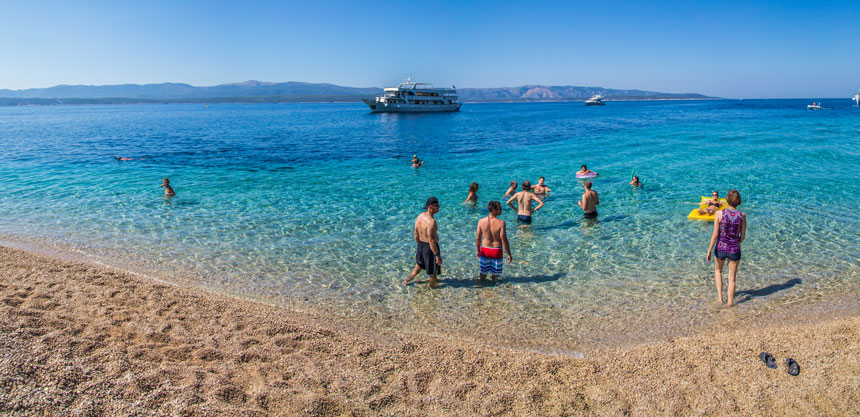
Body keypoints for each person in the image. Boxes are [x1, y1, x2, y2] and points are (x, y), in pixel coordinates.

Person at [706, 189, 746, 306]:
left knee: (718, 271)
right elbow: (742, 237)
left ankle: (720, 298)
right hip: (734, 249)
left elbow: (715, 235)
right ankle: (730, 304)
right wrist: (734, 243)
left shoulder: (719, 214)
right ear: (738, 201)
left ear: (727, 199)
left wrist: (709, 250)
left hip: (721, 248)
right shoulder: (742, 215)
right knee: (732, 279)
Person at [404, 197, 442, 288]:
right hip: (430, 249)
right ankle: (433, 290)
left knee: (416, 269)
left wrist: (420, 246)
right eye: (436, 205)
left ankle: (406, 281)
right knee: (432, 273)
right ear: (430, 207)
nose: (439, 207)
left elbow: (416, 233)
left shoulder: (420, 216)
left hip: (421, 245)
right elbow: (431, 240)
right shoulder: (431, 222)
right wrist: (437, 255)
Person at [475, 201, 512, 284]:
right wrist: (509, 254)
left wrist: (477, 250)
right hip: (496, 250)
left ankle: (482, 289)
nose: (501, 210)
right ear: (494, 210)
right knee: (495, 275)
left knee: (483, 274)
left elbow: (478, 238)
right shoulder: (501, 223)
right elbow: (504, 240)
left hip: (485, 250)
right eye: (500, 209)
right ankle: (495, 290)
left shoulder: (481, 221)